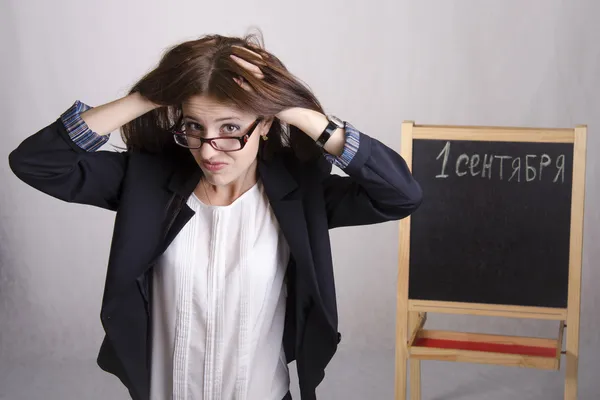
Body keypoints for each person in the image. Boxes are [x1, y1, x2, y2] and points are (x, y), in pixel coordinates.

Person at [8, 32, 422, 400]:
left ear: (263, 124)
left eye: (230, 129)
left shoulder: (299, 194)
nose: (208, 150)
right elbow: (36, 163)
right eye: (193, 126)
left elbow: (400, 195)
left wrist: (297, 110)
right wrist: (146, 97)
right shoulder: (147, 183)